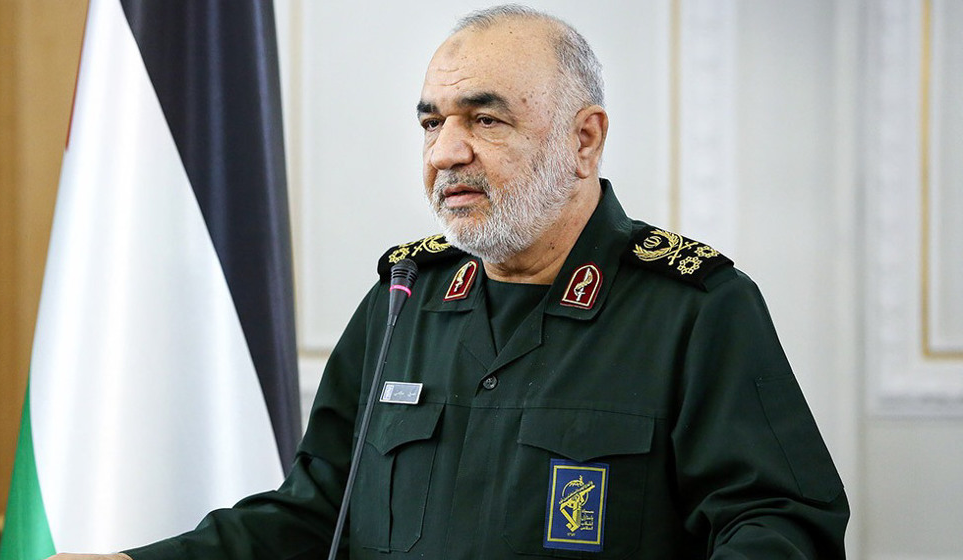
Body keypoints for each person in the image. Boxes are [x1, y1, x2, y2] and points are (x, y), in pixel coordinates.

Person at [54, 5, 849, 559]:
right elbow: (311, 517)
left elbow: (780, 526)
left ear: (585, 139)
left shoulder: (696, 308)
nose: (443, 153)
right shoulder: (403, 303)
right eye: (433, 121)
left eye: (485, 119)